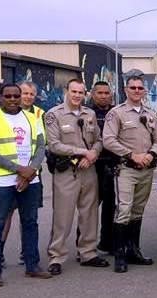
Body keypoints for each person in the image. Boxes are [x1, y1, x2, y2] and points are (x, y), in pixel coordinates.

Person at [0, 84, 52, 287]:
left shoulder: (32, 118)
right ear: (1, 97)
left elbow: (40, 147)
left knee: (30, 222)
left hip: (31, 178)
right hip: (3, 181)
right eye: (8, 96)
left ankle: (32, 265)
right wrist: (20, 169)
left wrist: (31, 170)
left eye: (16, 96)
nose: (13, 99)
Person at [44, 79, 108, 275]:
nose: (77, 95)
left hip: (88, 169)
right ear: (67, 91)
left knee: (89, 213)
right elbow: (54, 144)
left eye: (81, 92)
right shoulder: (54, 115)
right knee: (63, 215)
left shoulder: (89, 114)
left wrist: (93, 154)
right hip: (66, 171)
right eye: (74, 91)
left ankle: (88, 252)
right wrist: (82, 152)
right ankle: (56, 256)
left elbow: (98, 139)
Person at [102, 75, 157, 273]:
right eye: (133, 88)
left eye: (140, 88)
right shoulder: (116, 113)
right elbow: (108, 140)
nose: (137, 91)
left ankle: (134, 251)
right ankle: (120, 254)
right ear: (126, 90)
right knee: (124, 209)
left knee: (138, 210)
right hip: (126, 169)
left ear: (144, 91)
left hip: (146, 169)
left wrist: (151, 154)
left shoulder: (151, 114)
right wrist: (132, 155)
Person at [88, 81, 119, 254]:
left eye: (107, 93)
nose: (103, 96)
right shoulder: (86, 113)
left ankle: (107, 243)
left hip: (112, 164)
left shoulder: (116, 112)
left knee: (111, 207)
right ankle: (84, 245)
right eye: (99, 93)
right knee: (89, 207)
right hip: (92, 165)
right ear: (93, 94)